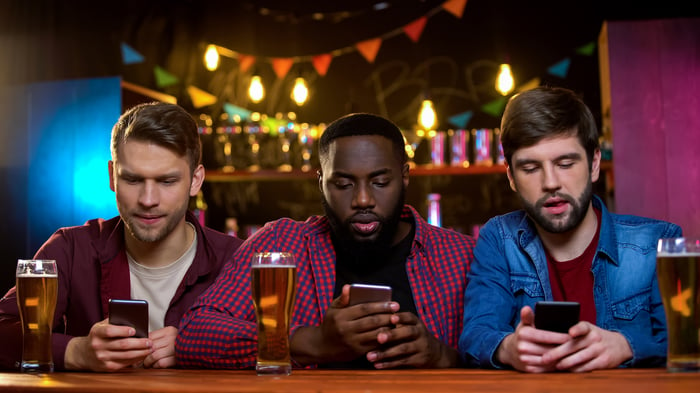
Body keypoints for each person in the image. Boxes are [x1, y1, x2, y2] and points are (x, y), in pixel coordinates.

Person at [176, 112, 475, 369]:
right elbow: (194, 335)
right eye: (343, 184)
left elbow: (508, 350)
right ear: (321, 182)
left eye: (380, 182)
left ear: (405, 177)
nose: (362, 199)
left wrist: (441, 356)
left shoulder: (460, 255)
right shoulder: (280, 244)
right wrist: (311, 341)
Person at [0, 102, 243, 372]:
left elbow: (286, 341)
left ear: (195, 181)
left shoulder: (237, 259)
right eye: (133, 180)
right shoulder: (70, 249)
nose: (148, 200)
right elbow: (4, 330)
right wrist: (76, 350)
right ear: (112, 177)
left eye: (167, 181)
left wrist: (201, 345)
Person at [458, 86, 682, 373]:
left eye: (565, 163)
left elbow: (685, 340)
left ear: (594, 164)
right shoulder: (499, 239)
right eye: (530, 168)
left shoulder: (658, 242)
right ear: (511, 176)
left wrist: (626, 345)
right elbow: (476, 335)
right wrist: (507, 348)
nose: (551, 182)